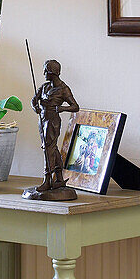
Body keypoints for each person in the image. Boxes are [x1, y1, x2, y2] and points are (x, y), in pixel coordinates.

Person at [24, 60, 80, 201]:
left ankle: (47, 179)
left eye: (45, 71)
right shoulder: (44, 87)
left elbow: (75, 106)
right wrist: (35, 107)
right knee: (52, 149)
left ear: (51, 72)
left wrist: (62, 108)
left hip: (52, 122)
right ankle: (59, 178)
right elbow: (33, 100)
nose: (43, 73)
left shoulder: (63, 89)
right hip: (42, 120)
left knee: (48, 149)